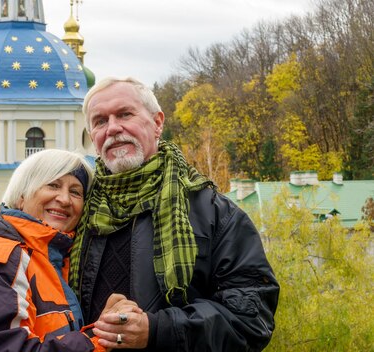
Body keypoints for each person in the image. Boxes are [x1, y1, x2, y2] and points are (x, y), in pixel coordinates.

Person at [68, 77, 280, 351]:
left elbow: (252, 319)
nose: (113, 128)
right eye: (100, 121)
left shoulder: (215, 213)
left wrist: (156, 331)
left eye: (124, 114)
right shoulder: (77, 209)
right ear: (93, 138)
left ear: (157, 123)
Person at [0, 149, 139, 352]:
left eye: (75, 191)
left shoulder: (60, 261)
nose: (64, 199)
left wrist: (104, 327)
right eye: (53, 185)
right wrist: (98, 339)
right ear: (21, 197)